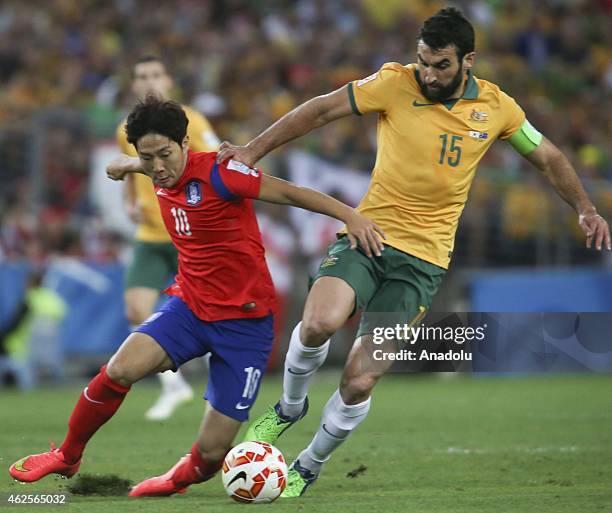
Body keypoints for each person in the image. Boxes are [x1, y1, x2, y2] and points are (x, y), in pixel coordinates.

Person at [216, 7, 611, 498]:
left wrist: (585, 209)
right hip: (369, 236)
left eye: (440, 65)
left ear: (468, 60)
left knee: (360, 380)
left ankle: (309, 464)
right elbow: (318, 109)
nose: (428, 73)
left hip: (424, 262)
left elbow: (548, 156)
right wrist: (253, 151)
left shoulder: (498, 108)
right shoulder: (393, 82)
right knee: (318, 322)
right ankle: (287, 409)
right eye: (423, 61)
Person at [8, 95, 384, 497]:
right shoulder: (157, 169)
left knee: (211, 454)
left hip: (245, 324)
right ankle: (67, 455)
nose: (157, 167)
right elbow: (151, 164)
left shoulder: (223, 175)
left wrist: (351, 215)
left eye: (164, 154)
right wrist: (128, 165)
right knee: (118, 369)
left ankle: (174, 480)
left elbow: (292, 194)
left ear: (186, 143)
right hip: (189, 307)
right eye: (146, 157)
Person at [116, 56, 220, 421]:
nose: (149, 81)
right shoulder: (125, 128)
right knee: (135, 309)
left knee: (211, 310)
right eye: (141, 75)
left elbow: (213, 162)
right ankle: (174, 388)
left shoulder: (192, 121)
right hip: (150, 234)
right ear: (132, 85)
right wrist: (129, 202)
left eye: (155, 74)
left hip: (189, 232)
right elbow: (133, 171)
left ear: (169, 80)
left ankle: (218, 384)